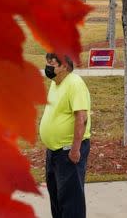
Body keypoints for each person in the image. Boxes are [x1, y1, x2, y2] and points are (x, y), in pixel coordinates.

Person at [40, 54, 91, 218]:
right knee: (56, 197)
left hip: (68, 152)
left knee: (71, 202)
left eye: (52, 63)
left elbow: (81, 118)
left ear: (64, 66)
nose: (48, 67)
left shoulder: (75, 83)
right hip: (54, 151)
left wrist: (75, 150)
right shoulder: (56, 83)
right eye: (47, 63)